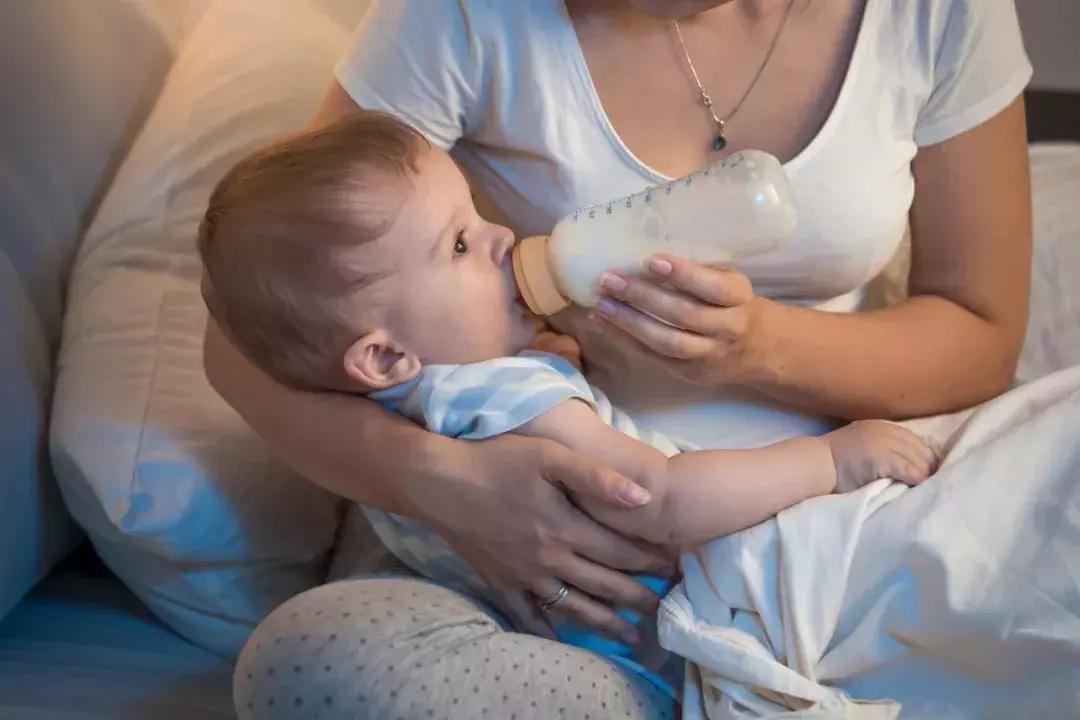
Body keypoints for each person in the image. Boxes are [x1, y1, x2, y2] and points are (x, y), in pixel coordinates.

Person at [210, 0, 1032, 717]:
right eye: (460, 241)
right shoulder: (504, 392)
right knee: (320, 660)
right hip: (670, 585)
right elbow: (261, 332)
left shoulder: (936, 15)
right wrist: (438, 481)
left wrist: (760, 348)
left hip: (809, 527)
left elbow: (982, 331)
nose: (503, 238)